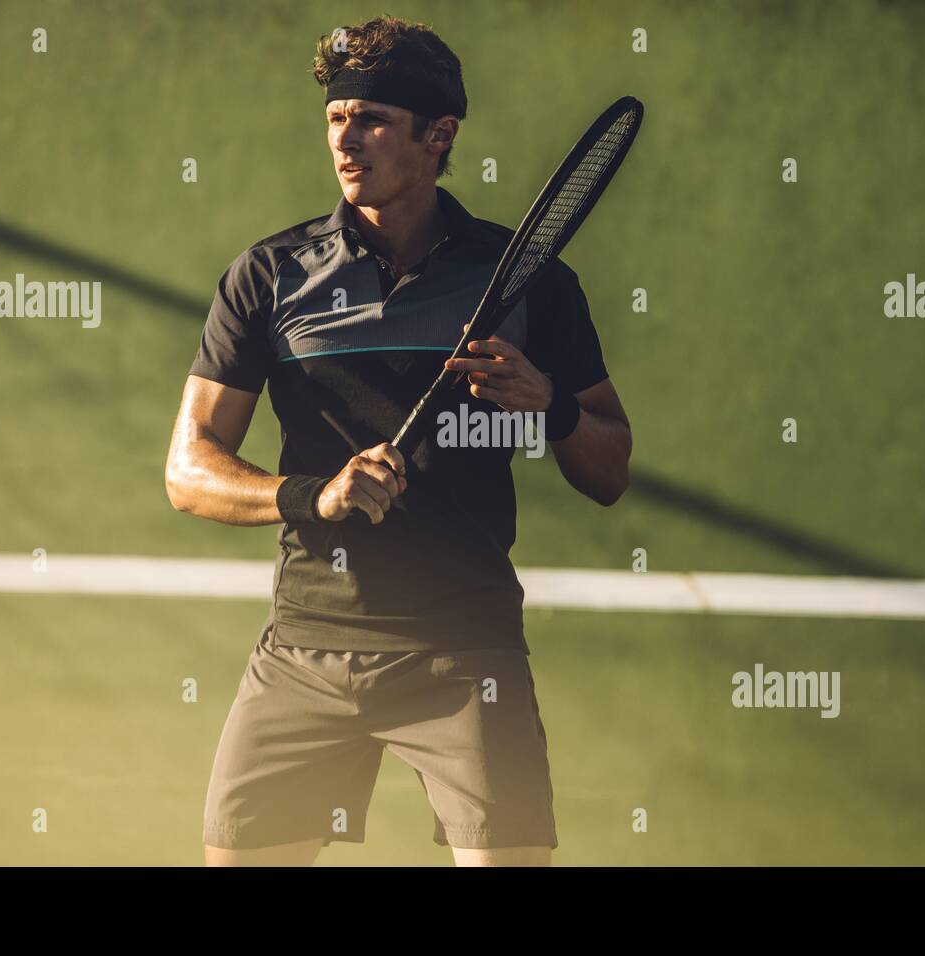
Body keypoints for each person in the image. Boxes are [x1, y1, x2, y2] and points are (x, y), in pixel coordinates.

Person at [165, 14, 632, 866]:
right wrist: (313, 494)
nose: (348, 140)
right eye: (337, 118)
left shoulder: (528, 282)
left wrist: (550, 405)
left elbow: (609, 466)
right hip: (304, 652)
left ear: (439, 135)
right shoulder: (269, 276)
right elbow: (188, 469)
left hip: (466, 654)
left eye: (373, 119)